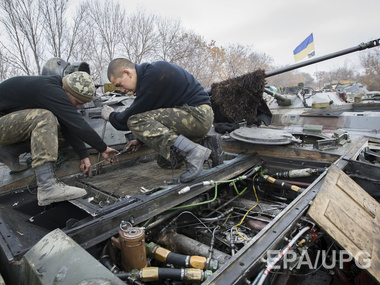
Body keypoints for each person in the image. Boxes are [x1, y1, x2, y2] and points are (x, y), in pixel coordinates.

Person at [0, 71, 119, 206]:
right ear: (67, 91)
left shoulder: (56, 86)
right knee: (44, 118)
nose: (78, 107)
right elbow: (77, 123)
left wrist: (83, 155)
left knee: (58, 134)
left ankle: (8, 152)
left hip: (6, 124)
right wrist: (103, 148)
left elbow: (68, 124)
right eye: (77, 102)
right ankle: (47, 187)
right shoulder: (50, 90)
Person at [102, 58, 223, 183]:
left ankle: (192, 152)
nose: (122, 90)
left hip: (197, 115)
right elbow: (158, 115)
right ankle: (207, 144)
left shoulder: (154, 74)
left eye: (119, 84)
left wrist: (111, 116)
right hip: (193, 118)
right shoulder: (150, 77)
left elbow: (130, 117)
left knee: (134, 121)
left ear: (127, 73)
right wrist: (140, 140)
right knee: (166, 161)